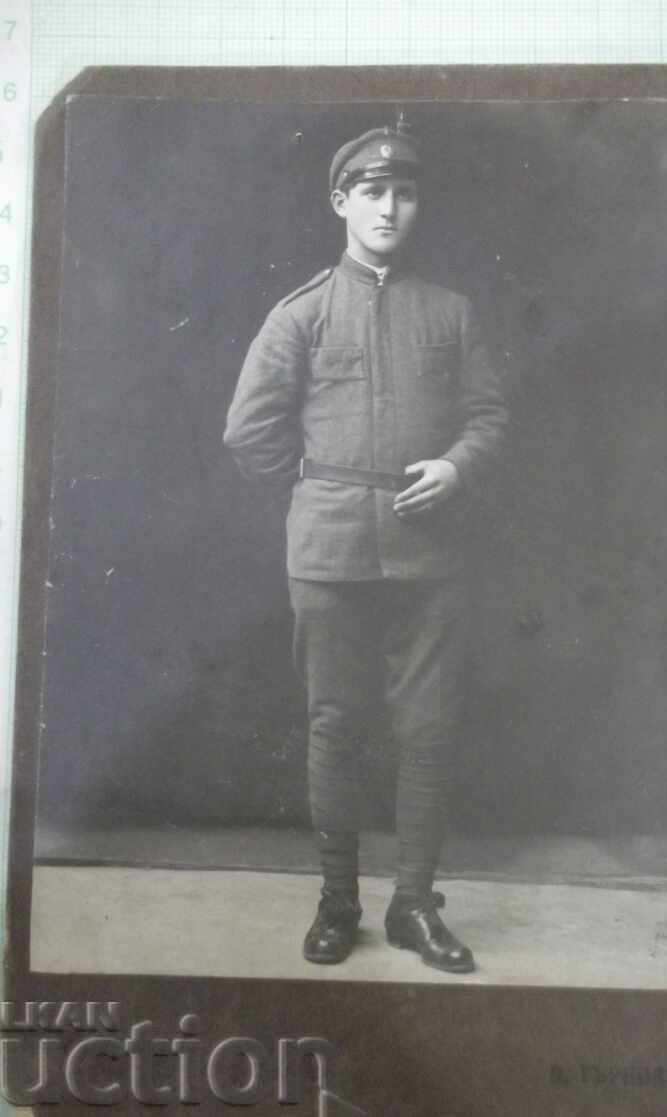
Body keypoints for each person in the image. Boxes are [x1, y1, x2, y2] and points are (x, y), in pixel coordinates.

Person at [224, 119, 508, 973]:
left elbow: (490, 418)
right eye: (374, 192)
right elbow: (249, 434)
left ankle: (415, 904)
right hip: (331, 554)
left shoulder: (451, 313)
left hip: (431, 555)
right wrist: (326, 493)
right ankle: (338, 900)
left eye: (406, 192)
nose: (390, 207)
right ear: (341, 201)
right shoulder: (302, 314)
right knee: (335, 725)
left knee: (430, 731)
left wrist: (457, 470)